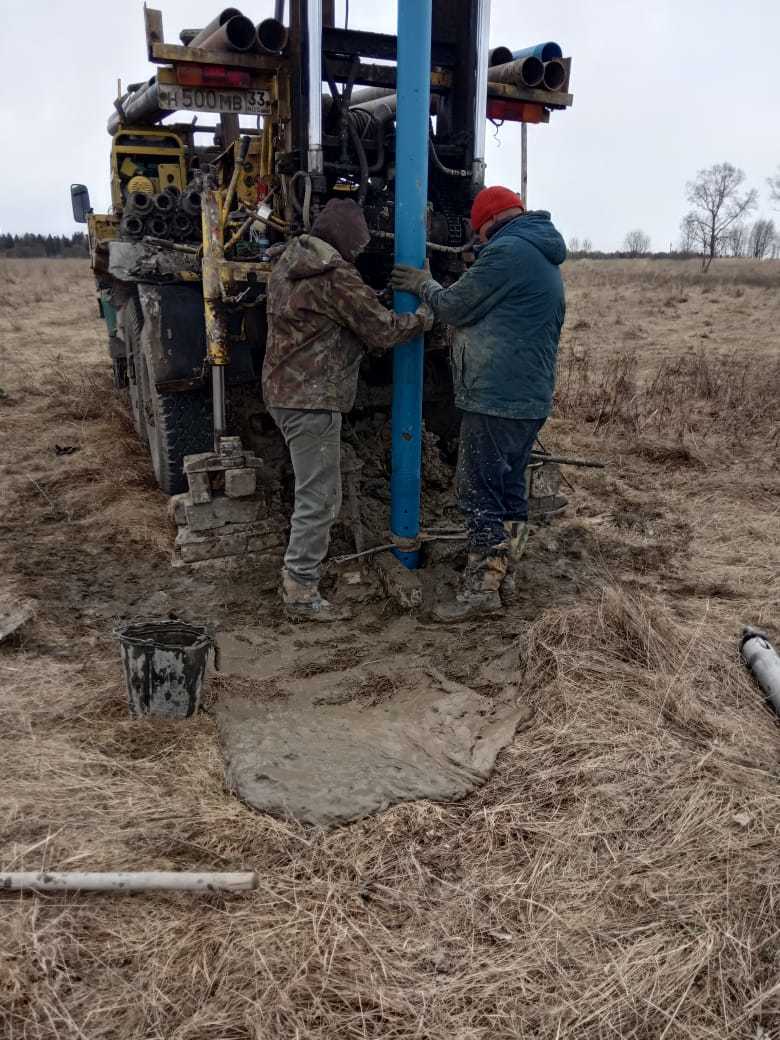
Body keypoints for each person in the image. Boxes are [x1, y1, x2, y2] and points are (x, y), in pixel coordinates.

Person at [391, 185, 566, 620]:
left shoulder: (509, 253)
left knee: (476, 489)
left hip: (496, 398)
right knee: (507, 488)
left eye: (479, 234)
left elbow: (454, 306)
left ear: (488, 222)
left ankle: (481, 591)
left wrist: (423, 283)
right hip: (527, 399)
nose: (479, 242)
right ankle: (505, 574)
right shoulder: (538, 250)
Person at [263, 197, 432, 622]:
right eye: (357, 247)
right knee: (319, 498)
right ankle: (300, 589)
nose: (357, 254)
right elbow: (382, 330)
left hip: (284, 393)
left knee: (316, 491)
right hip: (313, 399)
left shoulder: (289, 264)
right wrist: (427, 315)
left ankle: (299, 578)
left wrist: (369, 296)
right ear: (346, 241)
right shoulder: (336, 277)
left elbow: (329, 311)